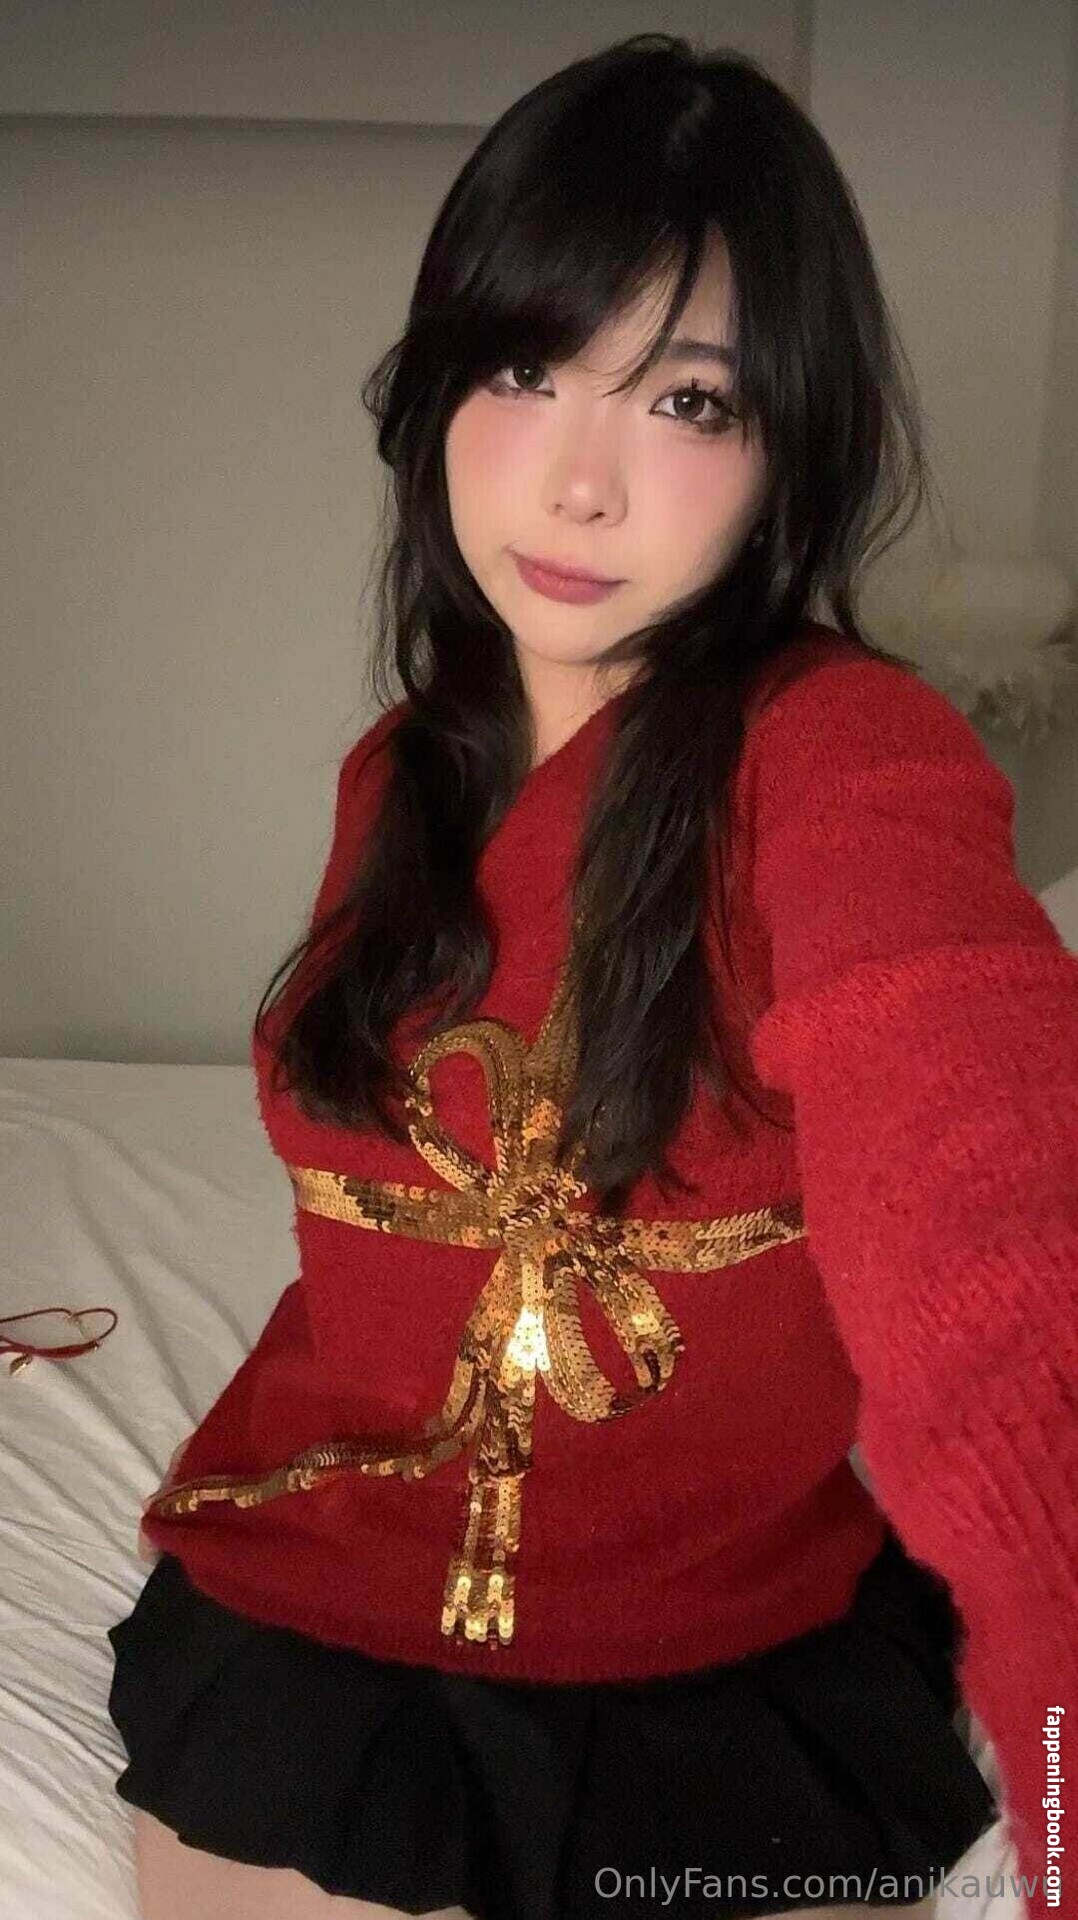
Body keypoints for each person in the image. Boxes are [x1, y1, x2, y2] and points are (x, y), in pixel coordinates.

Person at [107, 31, 1077, 1920]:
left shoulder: (847, 757)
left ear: (790, 448)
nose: (575, 483)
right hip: (329, 1587)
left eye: (687, 401)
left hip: (712, 1637)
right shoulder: (409, 769)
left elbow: (987, 1209)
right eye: (524, 368)